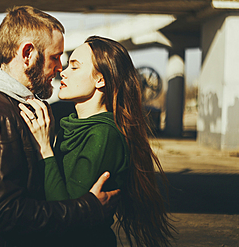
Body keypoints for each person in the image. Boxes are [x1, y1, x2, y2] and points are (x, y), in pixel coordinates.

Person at [0, 6, 120, 247]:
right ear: (28, 53)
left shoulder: (16, 108)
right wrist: (88, 207)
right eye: (54, 57)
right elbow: (7, 214)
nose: (60, 67)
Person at [19, 36, 176, 246]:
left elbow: (66, 215)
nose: (62, 72)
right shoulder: (70, 125)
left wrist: (45, 149)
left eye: (74, 67)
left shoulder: (104, 134)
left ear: (100, 80)